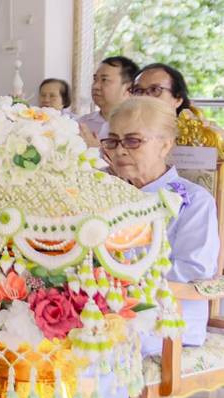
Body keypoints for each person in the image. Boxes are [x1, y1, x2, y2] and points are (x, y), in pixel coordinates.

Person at [104, 97, 219, 355]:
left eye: (133, 141)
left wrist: (120, 281)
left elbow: (192, 271)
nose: (120, 150)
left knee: (96, 344)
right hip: (109, 306)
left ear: (165, 145)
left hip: (169, 315)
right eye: (112, 141)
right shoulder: (103, 192)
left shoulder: (195, 201)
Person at [80, 55, 137, 144]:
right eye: (95, 79)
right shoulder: (81, 124)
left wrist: (95, 150)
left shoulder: (139, 127)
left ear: (128, 88)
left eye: (104, 80)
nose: (95, 86)